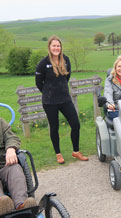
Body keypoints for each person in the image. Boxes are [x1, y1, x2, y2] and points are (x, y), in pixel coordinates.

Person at [35, 35, 88, 164]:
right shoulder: (43, 63)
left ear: (61, 47)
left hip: (65, 99)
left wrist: (61, 90)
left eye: (58, 46)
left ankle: (76, 151)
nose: (56, 48)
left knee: (75, 124)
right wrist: (48, 92)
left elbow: (66, 78)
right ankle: (58, 154)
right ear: (49, 47)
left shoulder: (66, 60)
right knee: (54, 128)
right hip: (49, 101)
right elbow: (38, 83)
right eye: (54, 46)